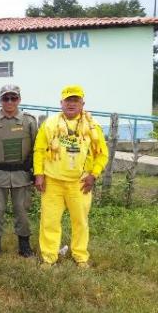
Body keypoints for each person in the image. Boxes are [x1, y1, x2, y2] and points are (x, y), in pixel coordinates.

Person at [33, 85, 108, 269]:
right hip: (53, 182)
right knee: (49, 221)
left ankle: (80, 256)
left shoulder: (93, 126)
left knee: (80, 222)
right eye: (68, 100)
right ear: (61, 103)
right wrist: (39, 174)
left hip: (80, 183)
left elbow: (102, 154)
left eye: (75, 100)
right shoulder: (49, 124)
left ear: (83, 103)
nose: (71, 104)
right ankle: (49, 257)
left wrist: (94, 175)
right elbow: (39, 150)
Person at [0, 85, 36, 257]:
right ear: (0, 100)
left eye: (13, 98)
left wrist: (35, 169)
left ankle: (24, 245)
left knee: (22, 210)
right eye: (5, 98)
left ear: (19, 99)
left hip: (22, 174)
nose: (9, 102)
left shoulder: (29, 121)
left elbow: (38, 147)